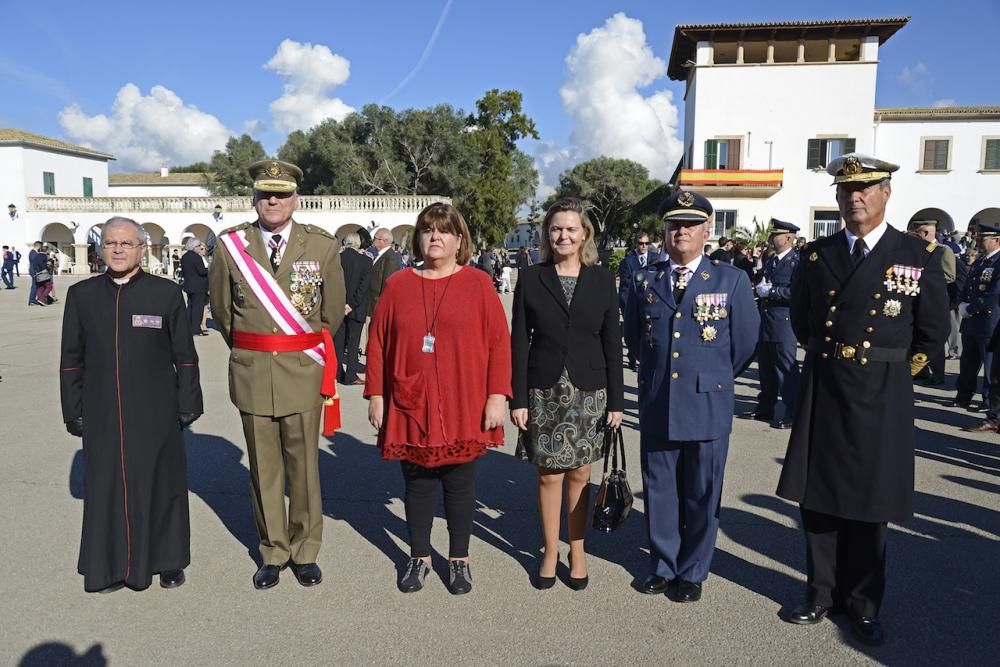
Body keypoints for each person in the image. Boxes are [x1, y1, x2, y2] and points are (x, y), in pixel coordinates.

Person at [777, 153, 949, 646]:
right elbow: (803, 320)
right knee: (820, 497)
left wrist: (895, 372)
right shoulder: (817, 255)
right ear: (836, 198)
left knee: (870, 502)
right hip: (827, 385)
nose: (855, 198)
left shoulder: (917, 255)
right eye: (846, 191)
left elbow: (932, 332)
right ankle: (819, 593)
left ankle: (864, 604)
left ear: (885, 193)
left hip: (881, 390)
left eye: (866, 189)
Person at [209, 159, 346, 590]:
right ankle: (273, 550)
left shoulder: (321, 246)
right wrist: (258, 350)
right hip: (253, 372)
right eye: (266, 193)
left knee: (304, 468)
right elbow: (223, 313)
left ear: (295, 199)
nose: (273, 200)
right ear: (254, 198)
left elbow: (330, 315)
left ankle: (305, 550)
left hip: (302, 372)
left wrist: (296, 347)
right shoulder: (231, 246)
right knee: (263, 468)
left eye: (281, 193)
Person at [365, 202, 511, 595]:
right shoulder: (398, 284)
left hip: (464, 397)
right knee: (417, 484)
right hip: (409, 396)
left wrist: (497, 396)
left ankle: (459, 559)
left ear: (459, 239)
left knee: (459, 484)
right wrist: (376, 394)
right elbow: (377, 342)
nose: (435, 237)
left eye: (444, 230)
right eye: (428, 230)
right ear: (418, 237)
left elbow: (500, 343)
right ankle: (419, 556)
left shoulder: (478, 283)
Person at [623, 190, 759, 603]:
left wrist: (711, 376)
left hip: (706, 402)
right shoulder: (646, 279)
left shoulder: (730, 279)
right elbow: (634, 337)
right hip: (659, 399)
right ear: (664, 232)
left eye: (690, 225)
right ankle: (663, 565)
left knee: (702, 490)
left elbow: (746, 343)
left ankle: (693, 570)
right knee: (660, 487)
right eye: (673, 225)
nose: (680, 231)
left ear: (706, 231)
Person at [59, 217, 203, 592]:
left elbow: (184, 355)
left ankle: (168, 560)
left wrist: (188, 401)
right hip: (102, 409)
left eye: (126, 243)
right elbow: (71, 357)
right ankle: (108, 565)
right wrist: (71, 407)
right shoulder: (82, 295)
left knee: (161, 483)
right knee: (107, 487)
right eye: (110, 243)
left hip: (156, 409)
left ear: (142, 248)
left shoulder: (165, 293)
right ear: (100, 249)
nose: (118, 250)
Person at [511, 198, 624, 591]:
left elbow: (612, 343)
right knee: (549, 476)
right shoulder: (530, 278)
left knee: (580, 473)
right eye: (556, 228)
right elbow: (519, 344)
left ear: (584, 235)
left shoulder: (603, 279)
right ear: (547, 234)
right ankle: (548, 550)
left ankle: (577, 549)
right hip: (543, 390)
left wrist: (617, 402)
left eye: (571, 229)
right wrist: (518, 399)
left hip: (589, 392)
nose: (563, 235)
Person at [741, 219, 801, 428]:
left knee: (785, 369)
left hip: (784, 322)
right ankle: (765, 407)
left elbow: (799, 292)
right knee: (766, 367)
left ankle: (793, 411)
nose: (771, 238)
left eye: (775, 235)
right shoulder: (771, 260)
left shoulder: (797, 262)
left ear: (788, 238)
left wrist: (773, 291)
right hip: (766, 319)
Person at [953, 223, 1000, 409]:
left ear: (996, 240)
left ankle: (988, 400)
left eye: (983, 239)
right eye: (979, 238)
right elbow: (968, 285)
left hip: (988, 320)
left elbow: (995, 294)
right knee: (968, 362)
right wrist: (961, 302)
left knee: (989, 366)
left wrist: (970, 308)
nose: (978, 241)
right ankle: (963, 395)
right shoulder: (981, 260)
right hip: (972, 321)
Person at [908, 220, 956, 385]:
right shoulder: (912, 252)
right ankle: (922, 372)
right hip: (917, 299)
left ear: (926, 233)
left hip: (936, 298)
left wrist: (928, 284)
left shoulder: (942, 250)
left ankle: (937, 374)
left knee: (934, 338)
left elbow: (950, 275)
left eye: (919, 232)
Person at [334, 232, 371, 385]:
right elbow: (363, 287)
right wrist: (352, 304)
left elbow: (333, 284)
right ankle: (350, 375)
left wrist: (342, 304)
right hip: (356, 308)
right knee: (353, 343)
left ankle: (336, 373)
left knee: (339, 342)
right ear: (358, 244)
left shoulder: (336, 259)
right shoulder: (366, 261)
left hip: (338, 307)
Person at [618, 233, 660, 370]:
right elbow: (626, 283)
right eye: (641, 243)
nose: (644, 246)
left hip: (651, 302)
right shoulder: (627, 261)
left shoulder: (656, 259)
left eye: (647, 244)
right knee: (633, 330)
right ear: (636, 244)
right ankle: (632, 358)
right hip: (632, 301)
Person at [368, 227, 401, 319]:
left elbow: (388, 286)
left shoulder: (390, 258)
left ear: (384, 241)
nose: (373, 240)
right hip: (372, 306)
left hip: (377, 308)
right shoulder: (381, 255)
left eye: (375, 238)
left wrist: (381, 309)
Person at [180, 238, 210, 336]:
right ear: (194, 247)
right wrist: (209, 269)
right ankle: (196, 329)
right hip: (199, 286)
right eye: (198, 246)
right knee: (198, 308)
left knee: (190, 307)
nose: (199, 248)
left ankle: (188, 327)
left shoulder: (184, 257)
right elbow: (202, 271)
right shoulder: (196, 257)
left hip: (188, 285)